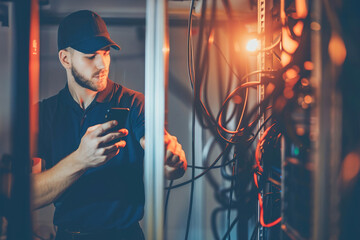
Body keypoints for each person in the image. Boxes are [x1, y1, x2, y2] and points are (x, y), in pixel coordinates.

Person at [31, 10, 187, 240]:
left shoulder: (134, 103)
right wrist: (81, 159)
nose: (102, 63)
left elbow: (166, 162)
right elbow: (26, 197)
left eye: (105, 53)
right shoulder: (43, 114)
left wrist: (172, 161)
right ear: (65, 58)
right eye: (91, 55)